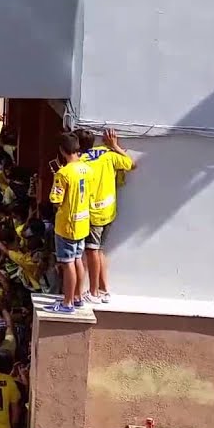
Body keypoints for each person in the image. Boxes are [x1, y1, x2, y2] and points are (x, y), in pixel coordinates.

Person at [76, 127, 134, 304]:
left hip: (93, 213)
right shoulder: (107, 154)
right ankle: (103, 290)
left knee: (92, 251)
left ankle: (93, 292)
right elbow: (131, 164)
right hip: (109, 211)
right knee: (99, 250)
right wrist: (115, 146)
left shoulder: (80, 162)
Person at [45, 133, 92, 314]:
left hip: (67, 225)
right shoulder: (87, 169)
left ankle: (67, 302)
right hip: (83, 223)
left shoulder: (63, 173)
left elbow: (56, 200)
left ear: (62, 150)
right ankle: (77, 297)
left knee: (67, 263)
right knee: (78, 259)